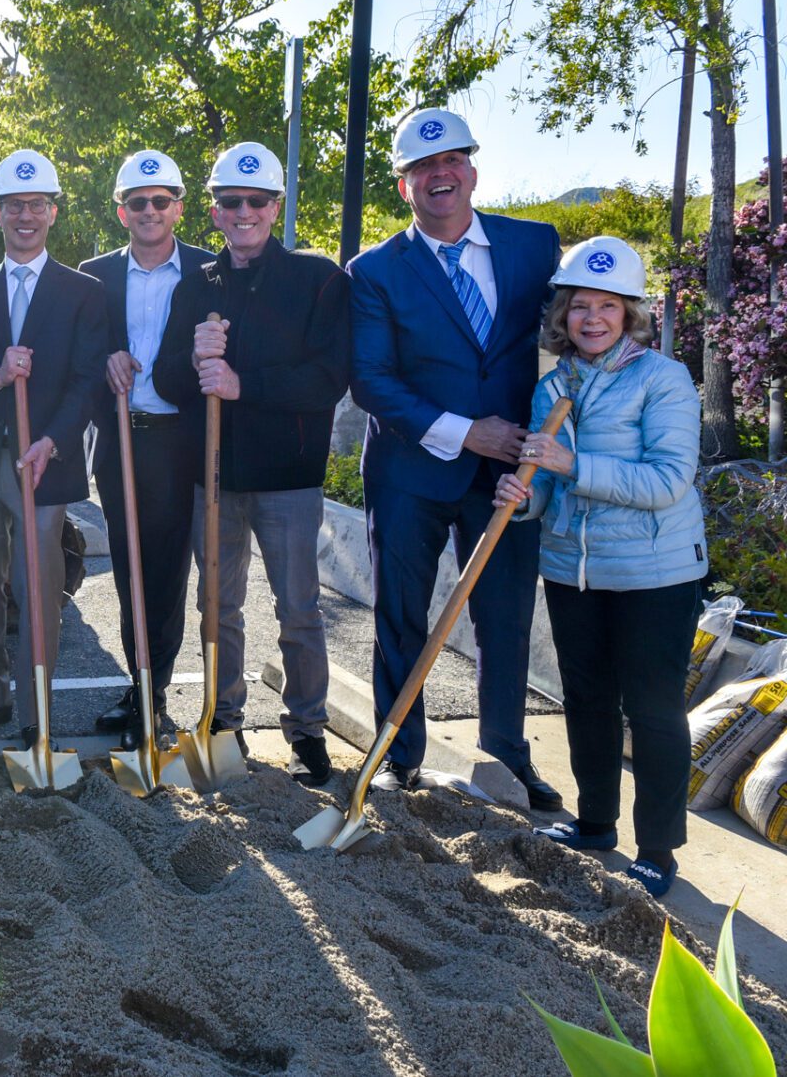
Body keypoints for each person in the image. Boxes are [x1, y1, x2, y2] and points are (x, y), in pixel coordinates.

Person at [348, 109, 563, 809]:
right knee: (403, 614)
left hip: (509, 475)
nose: (440, 175)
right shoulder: (375, 270)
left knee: (504, 620)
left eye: (452, 161)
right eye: (421, 168)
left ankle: (505, 757)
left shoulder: (534, 248)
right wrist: (469, 432)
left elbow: (575, 340)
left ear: (472, 167)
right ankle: (396, 754)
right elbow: (373, 381)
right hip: (412, 470)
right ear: (403, 186)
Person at [495, 237, 705, 897]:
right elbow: (550, 490)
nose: (591, 319)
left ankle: (658, 849)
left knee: (652, 708)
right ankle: (593, 823)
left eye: (607, 307)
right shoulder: (553, 385)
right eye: (579, 306)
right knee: (585, 699)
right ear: (563, 314)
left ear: (630, 314)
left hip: (655, 573)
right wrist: (525, 499)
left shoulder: (661, 379)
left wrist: (572, 466)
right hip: (573, 570)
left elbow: (668, 480)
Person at [152, 142, 350, 786]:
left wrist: (243, 382)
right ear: (212, 211)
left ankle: (308, 731)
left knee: (298, 609)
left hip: (288, 479)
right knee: (218, 606)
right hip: (214, 478)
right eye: (230, 202)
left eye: (256, 201)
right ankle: (223, 718)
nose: (244, 212)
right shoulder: (197, 284)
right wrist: (193, 359)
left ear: (275, 206)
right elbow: (168, 379)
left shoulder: (318, 279)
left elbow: (327, 379)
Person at [0, 150, 106, 747]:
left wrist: (53, 440)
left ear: (53, 212)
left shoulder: (83, 292)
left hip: (43, 464)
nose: (25, 215)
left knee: (39, 592)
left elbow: (86, 381)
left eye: (36, 205)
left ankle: (37, 713)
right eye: (14, 206)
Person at [81, 151, 213, 753]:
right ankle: (138, 687)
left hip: (181, 442)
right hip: (121, 439)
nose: (150, 210)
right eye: (139, 202)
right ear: (121, 212)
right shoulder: (93, 274)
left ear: (179, 208)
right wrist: (101, 357)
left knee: (169, 575)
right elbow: (76, 348)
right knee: (130, 572)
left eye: (162, 200)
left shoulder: (211, 272)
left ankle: (155, 694)